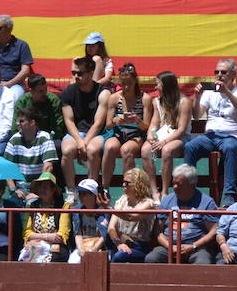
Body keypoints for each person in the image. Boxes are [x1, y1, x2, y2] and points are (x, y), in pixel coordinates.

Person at [182, 58, 237, 204]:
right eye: (216, 72)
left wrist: (228, 93)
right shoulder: (209, 92)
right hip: (210, 136)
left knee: (231, 148)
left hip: (230, 135)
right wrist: (197, 97)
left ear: (233, 74)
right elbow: (197, 115)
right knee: (190, 147)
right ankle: (188, 190)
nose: (219, 75)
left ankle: (228, 196)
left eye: (223, 72)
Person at [146, 165, 219, 264]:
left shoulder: (206, 202)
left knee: (203, 262)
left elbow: (213, 231)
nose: (175, 187)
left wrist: (193, 246)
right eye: (174, 183)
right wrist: (169, 246)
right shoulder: (167, 200)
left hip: (196, 249)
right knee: (151, 258)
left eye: (179, 184)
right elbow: (158, 230)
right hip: (169, 247)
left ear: (192, 185)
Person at [100, 63, 151, 194]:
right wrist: (117, 120)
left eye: (129, 83)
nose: (126, 87)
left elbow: (146, 127)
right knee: (110, 147)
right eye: (123, 84)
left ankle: (130, 189)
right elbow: (108, 124)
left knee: (126, 150)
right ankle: (104, 187)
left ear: (135, 81)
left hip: (136, 134)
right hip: (118, 133)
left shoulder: (145, 98)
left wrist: (136, 120)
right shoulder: (114, 98)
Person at [59, 56, 108, 188]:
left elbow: (98, 123)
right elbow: (69, 121)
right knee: (67, 150)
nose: (76, 76)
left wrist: (84, 144)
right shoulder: (68, 92)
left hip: (98, 134)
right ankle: (71, 190)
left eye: (80, 73)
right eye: (73, 73)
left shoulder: (102, 92)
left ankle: (92, 188)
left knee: (92, 150)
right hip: (76, 133)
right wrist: (80, 141)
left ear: (91, 73)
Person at [143, 71, 193, 198]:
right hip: (162, 135)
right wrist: (150, 136)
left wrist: (164, 142)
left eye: (158, 84)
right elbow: (154, 124)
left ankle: (165, 191)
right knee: (145, 149)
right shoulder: (157, 102)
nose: (156, 87)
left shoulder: (184, 102)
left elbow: (181, 129)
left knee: (166, 150)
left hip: (180, 137)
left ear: (166, 85)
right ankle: (154, 190)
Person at [4, 107, 58, 205]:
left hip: (40, 189)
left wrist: (36, 192)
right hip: (20, 190)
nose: (17, 124)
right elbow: (7, 169)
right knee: (9, 205)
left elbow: (48, 167)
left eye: (21, 121)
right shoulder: (14, 140)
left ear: (32, 123)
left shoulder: (44, 138)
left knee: (35, 203)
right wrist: (14, 190)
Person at [107, 167, 158, 263]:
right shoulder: (122, 200)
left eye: (127, 183)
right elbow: (111, 227)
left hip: (139, 246)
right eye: (123, 182)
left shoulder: (148, 203)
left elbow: (132, 216)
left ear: (138, 184)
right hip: (120, 242)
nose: (123, 185)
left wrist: (109, 209)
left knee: (119, 256)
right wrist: (119, 244)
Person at [18, 173, 70, 263]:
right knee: (24, 259)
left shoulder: (63, 206)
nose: (42, 190)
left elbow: (61, 235)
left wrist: (36, 238)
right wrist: (47, 237)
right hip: (35, 245)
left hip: (55, 247)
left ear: (53, 189)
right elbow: (27, 233)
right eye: (40, 187)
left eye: (45, 187)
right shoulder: (31, 206)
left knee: (50, 260)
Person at [0, 14, 33, 98]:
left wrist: (8, 84)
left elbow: (25, 71)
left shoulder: (22, 45)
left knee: (13, 96)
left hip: (14, 85)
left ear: (9, 29)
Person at [13, 73, 65, 142]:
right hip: (26, 138)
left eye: (45, 89)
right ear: (31, 91)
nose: (44, 93)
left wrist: (42, 140)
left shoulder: (53, 101)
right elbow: (15, 127)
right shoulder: (22, 102)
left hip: (48, 139)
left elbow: (58, 128)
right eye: (41, 91)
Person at [65, 178, 107, 263]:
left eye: (84, 194)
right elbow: (78, 234)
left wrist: (93, 251)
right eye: (79, 193)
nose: (80, 196)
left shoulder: (103, 212)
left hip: (99, 247)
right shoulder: (76, 211)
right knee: (73, 261)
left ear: (93, 195)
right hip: (82, 246)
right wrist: (81, 251)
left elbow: (103, 236)